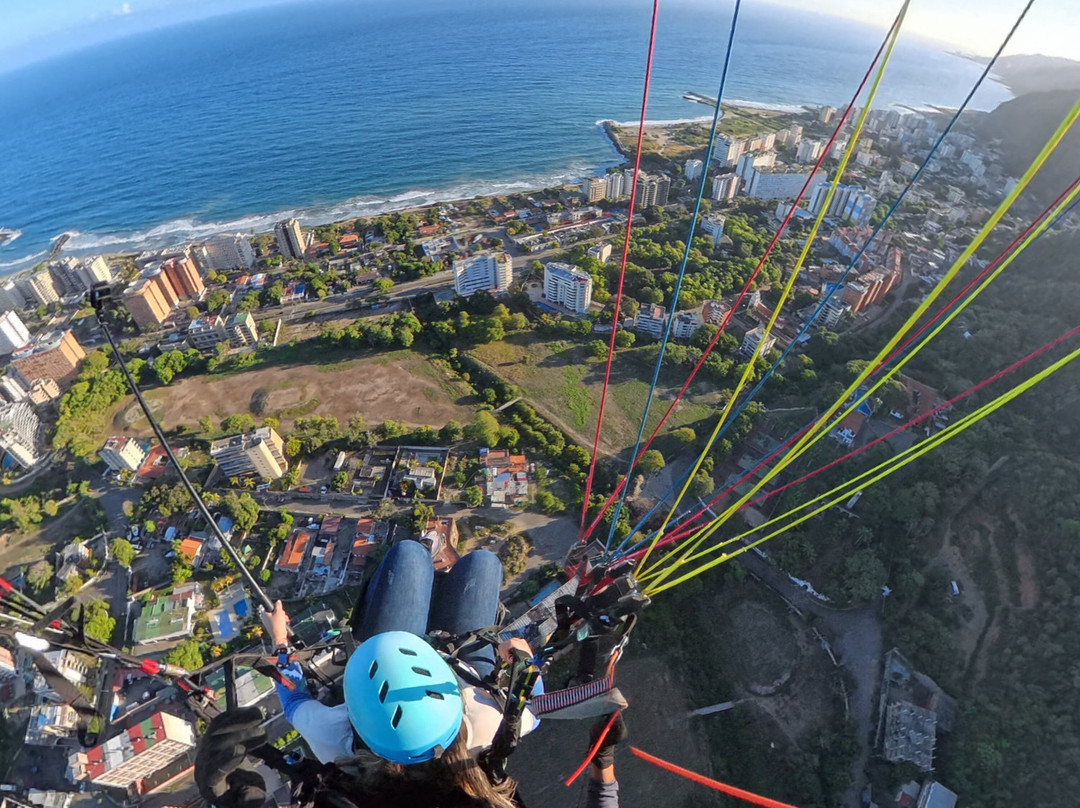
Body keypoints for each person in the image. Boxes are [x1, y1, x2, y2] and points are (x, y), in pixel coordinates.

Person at [194, 539, 624, 807]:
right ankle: (432, 567)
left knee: (420, 556)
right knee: (480, 564)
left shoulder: (332, 734)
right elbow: (292, 691)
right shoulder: (335, 735)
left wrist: (521, 657)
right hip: (462, 670)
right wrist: (280, 641)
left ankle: (428, 562)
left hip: (454, 669)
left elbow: (293, 693)